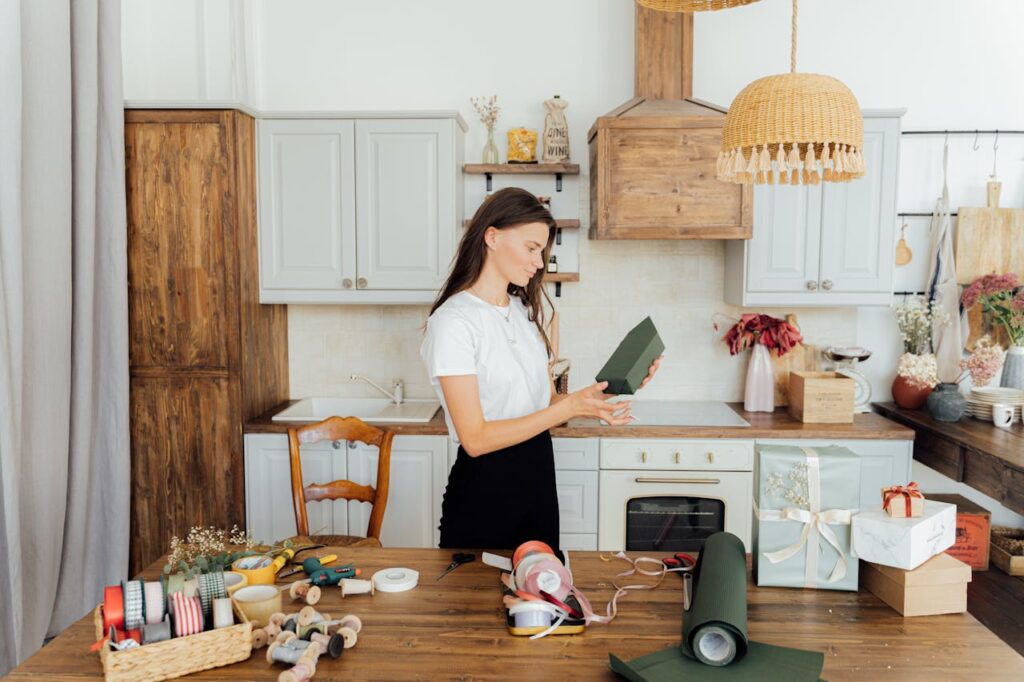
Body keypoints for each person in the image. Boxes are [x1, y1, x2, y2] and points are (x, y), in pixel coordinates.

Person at [420, 187, 662, 550]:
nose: (539, 261)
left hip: (538, 483)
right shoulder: (454, 322)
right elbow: (475, 439)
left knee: (544, 599)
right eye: (532, 248)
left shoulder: (524, 313)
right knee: (478, 604)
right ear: (492, 236)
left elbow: (547, 406)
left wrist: (609, 390)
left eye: (543, 251)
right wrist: (567, 406)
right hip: (485, 493)